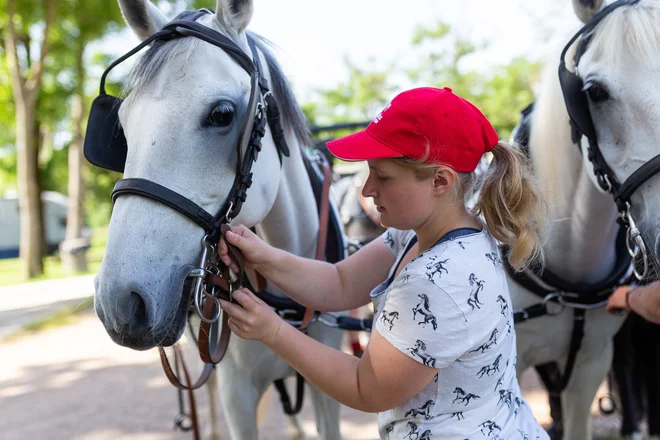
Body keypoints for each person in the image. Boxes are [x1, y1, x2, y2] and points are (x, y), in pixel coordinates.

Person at [218, 87, 549, 439]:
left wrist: (272, 331)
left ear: (440, 181)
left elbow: (367, 388)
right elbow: (340, 281)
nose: (366, 190)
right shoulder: (420, 233)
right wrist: (262, 254)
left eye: (383, 176)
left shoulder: (438, 280)